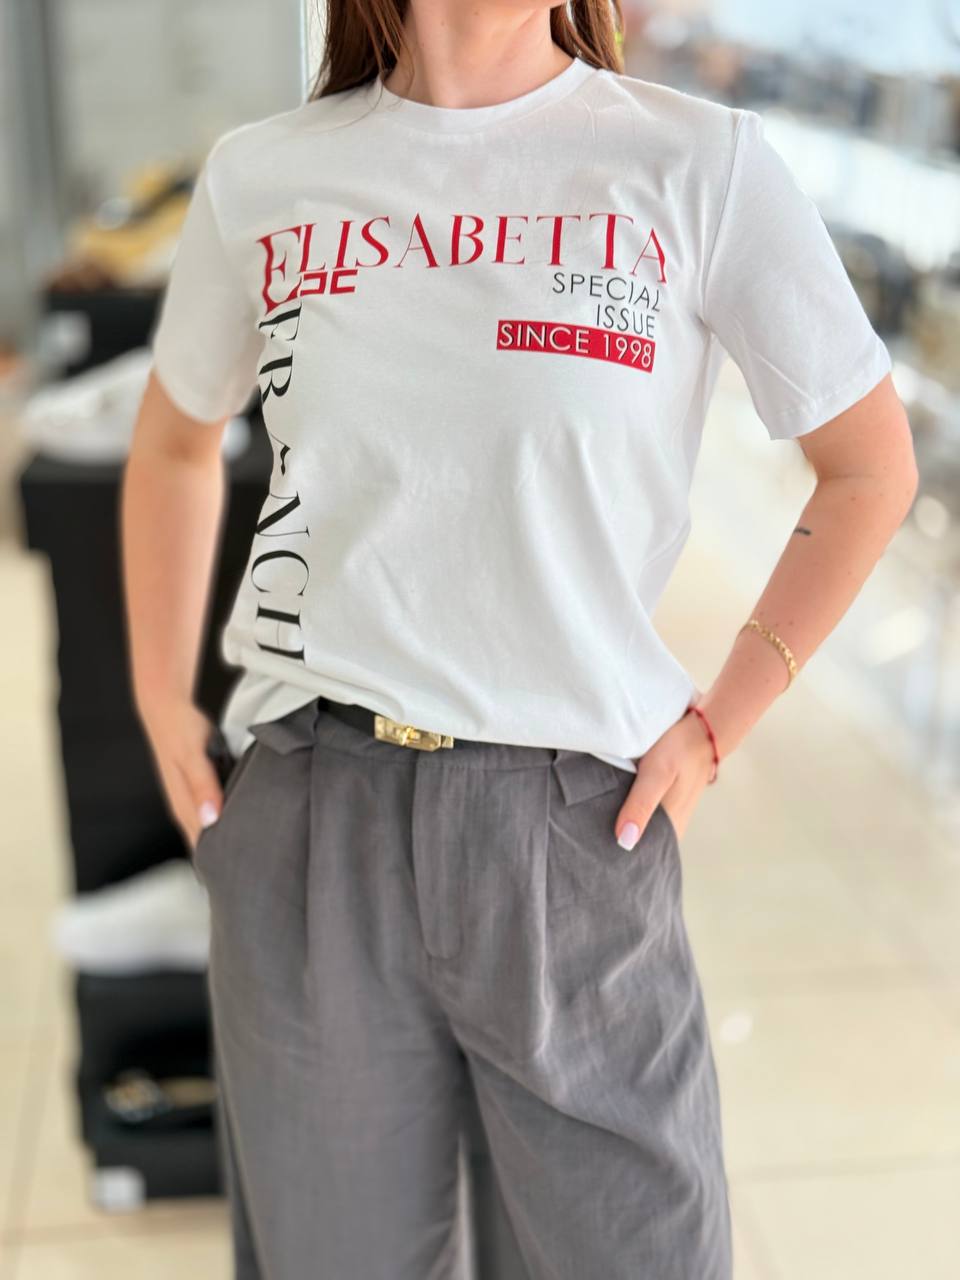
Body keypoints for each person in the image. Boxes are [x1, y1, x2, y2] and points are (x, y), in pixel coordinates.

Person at [120, 2, 918, 1277]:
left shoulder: (697, 164)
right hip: (315, 817)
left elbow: (869, 465)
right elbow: (173, 437)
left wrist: (721, 719)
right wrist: (161, 691)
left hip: (571, 824)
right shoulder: (264, 176)